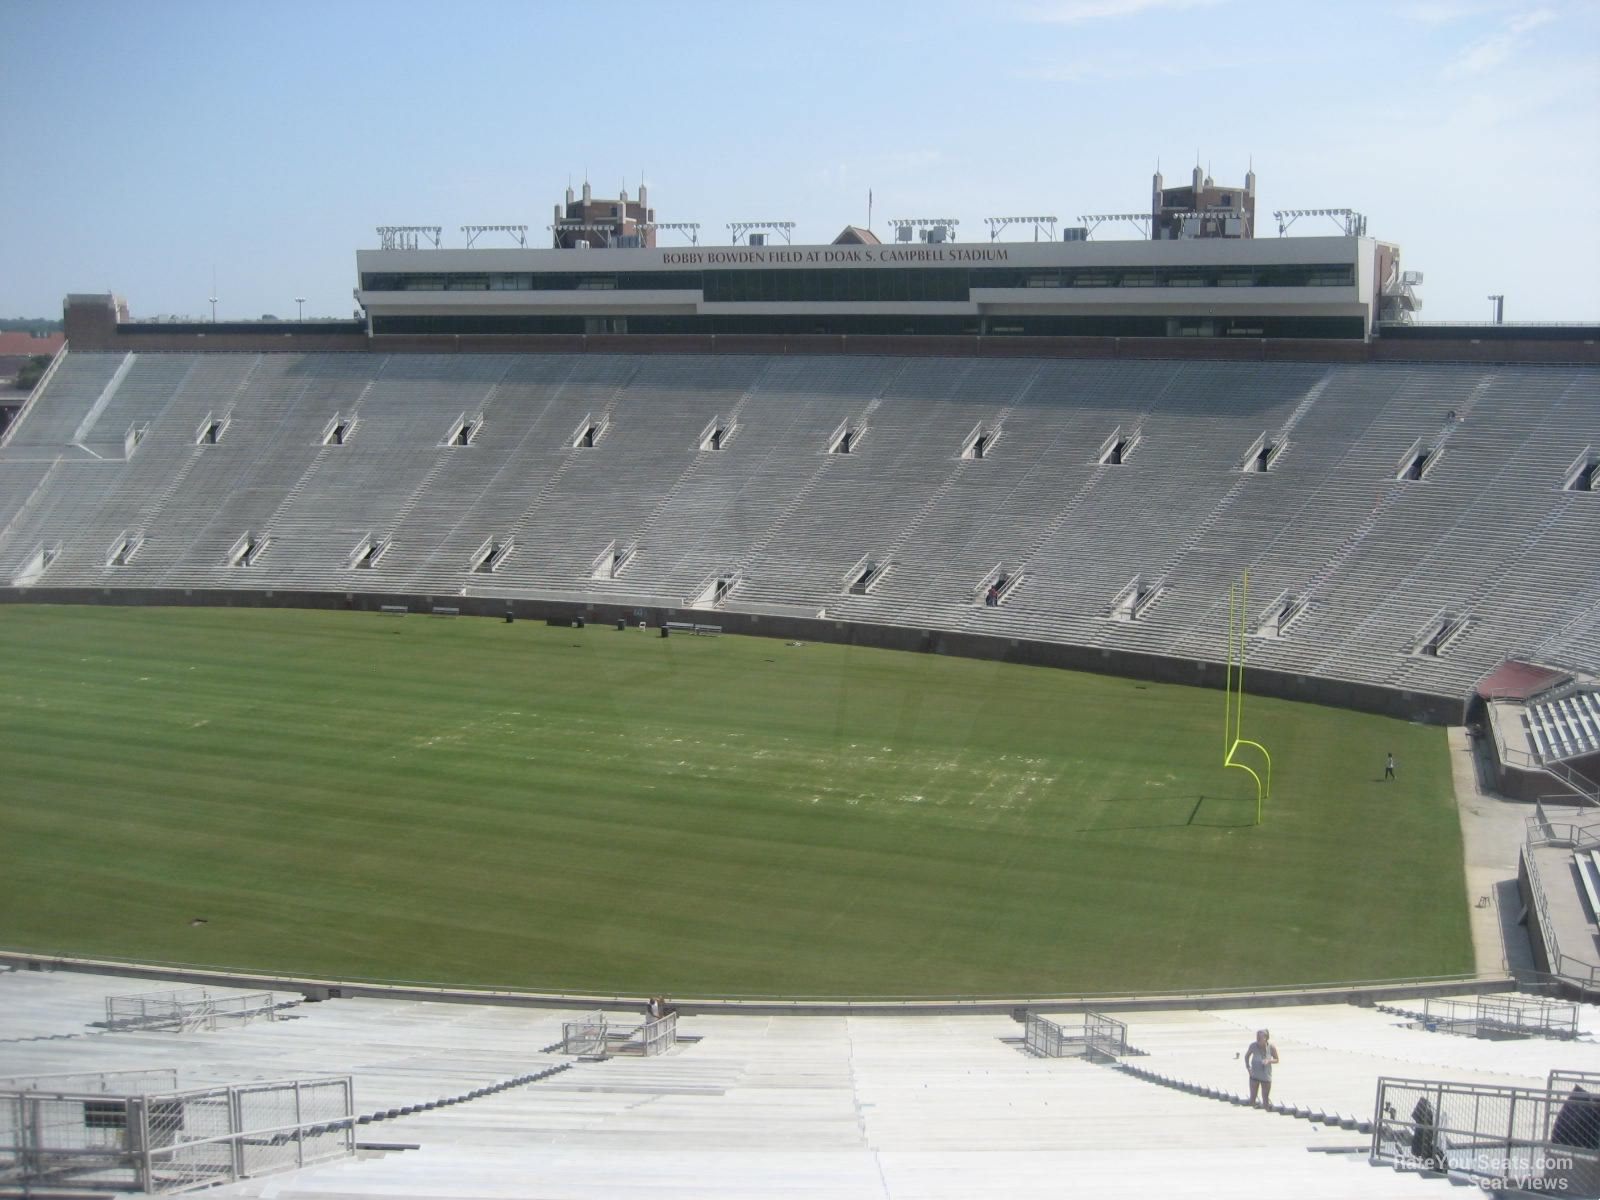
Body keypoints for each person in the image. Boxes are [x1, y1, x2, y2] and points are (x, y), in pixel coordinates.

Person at [1244, 1029, 1279, 1108]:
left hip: (1266, 1076)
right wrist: (1248, 1067)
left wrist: (1269, 1061)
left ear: (1266, 1038)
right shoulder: (1253, 1046)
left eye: (1260, 1037)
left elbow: (1277, 1059)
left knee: (1265, 1098)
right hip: (1254, 1075)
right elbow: (1246, 1056)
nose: (1258, 1038)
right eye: (1257, 1036)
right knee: (1252, 1098)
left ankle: (1266, 1111)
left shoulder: (1271, 1047)